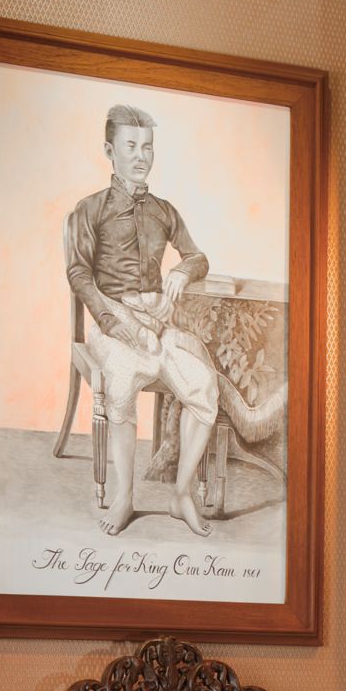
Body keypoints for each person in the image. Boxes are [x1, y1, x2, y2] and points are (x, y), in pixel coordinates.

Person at [63, 104, 220, 537]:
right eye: (131, 146)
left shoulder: (164, 211)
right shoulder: (89, 210)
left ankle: (181, 495)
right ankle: (124, 496)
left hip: (156, 327)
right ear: (110, 150)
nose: (140, 156)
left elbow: (198, 256)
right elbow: (78, 274)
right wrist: (116, 321)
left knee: (204, 389)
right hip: (111, 324)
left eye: (147, 147)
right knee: (123, 381)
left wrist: (181, 271)